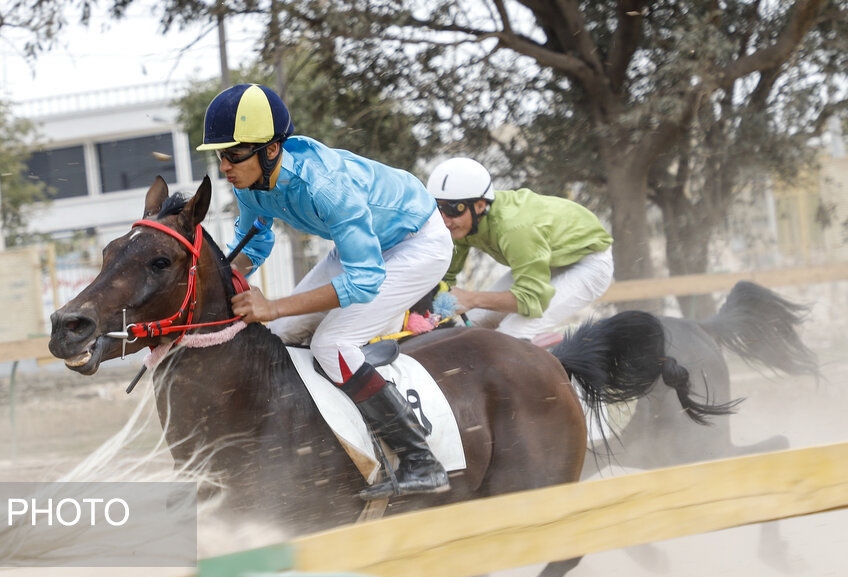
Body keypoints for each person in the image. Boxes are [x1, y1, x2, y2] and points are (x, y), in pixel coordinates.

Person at [196, 83, 453, 499]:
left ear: (272, 150)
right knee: (276, 341)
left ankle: (419, 459)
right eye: (220, 155)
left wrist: (274, 306)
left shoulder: (325, 186)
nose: (225, 166)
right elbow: (253, 245)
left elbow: (364, 280)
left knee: (332, 344)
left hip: (417, 244)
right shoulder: (248, 184)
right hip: (364, 247)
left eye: (234, 154)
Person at [426, 157, 614, 342]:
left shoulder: (515, 228)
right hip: (548, 260)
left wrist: (472, 298)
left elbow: (532, 300)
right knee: (474, 323)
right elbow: (444, 278)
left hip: (589, 264)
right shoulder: (459, 224)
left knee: (510, 334)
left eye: (453, 209)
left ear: (480, 205)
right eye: (438, 208)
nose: (445, 219)